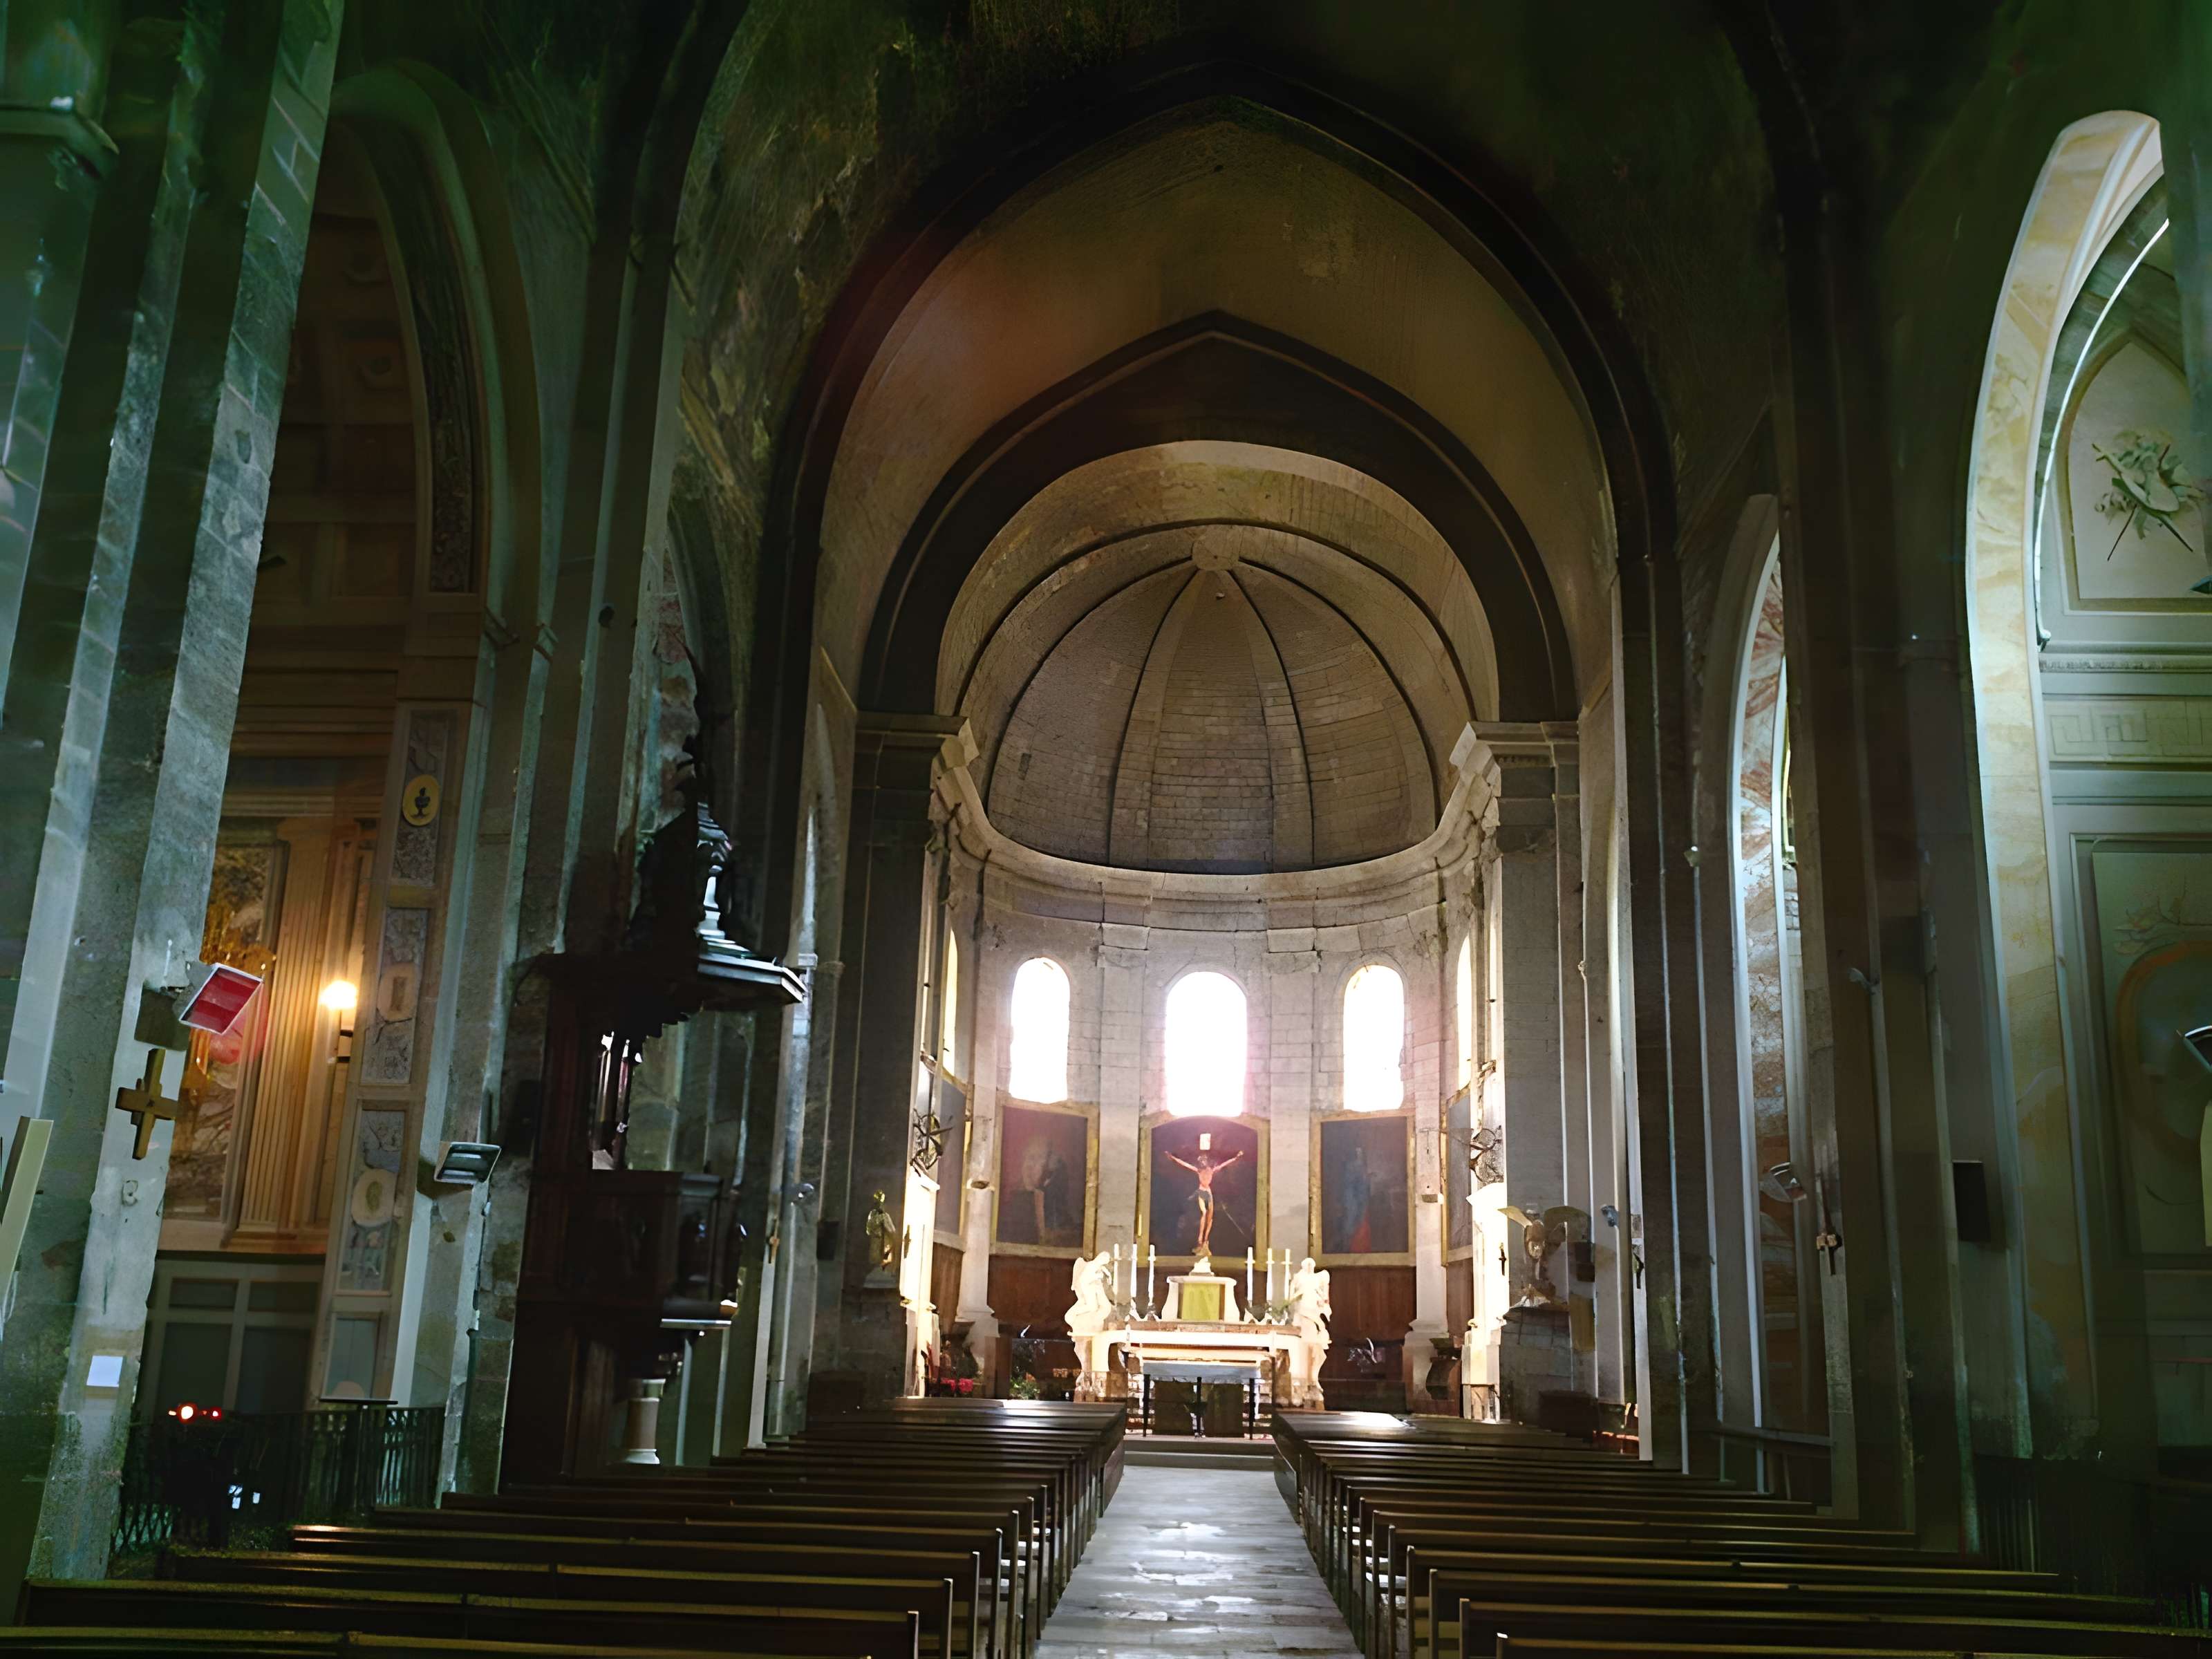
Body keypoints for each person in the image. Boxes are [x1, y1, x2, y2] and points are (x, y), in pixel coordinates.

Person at [1165, 1141, 1244, 1259]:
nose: (1204, 1162)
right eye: (1202, 1161)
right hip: (1202, 1191)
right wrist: (1173, 1158)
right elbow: (1185, 1164)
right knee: (1204, 1213)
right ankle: (1200, 1240)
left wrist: (1236, 1158)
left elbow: (1224, 1164)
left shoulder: (1212, 1170)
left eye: (1205, 1161)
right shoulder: (1199, 1171)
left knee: (1210, 1217)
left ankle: (1205, 1241)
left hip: (1208, 1192)